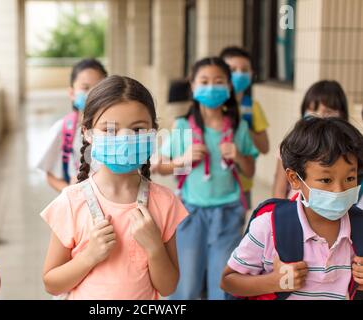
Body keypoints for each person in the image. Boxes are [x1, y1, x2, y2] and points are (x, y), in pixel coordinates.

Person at [40, 76, 188, 299]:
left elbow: (168, 287)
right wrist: (89, 256)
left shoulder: (164, 202)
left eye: (138, 130)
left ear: (152, 133)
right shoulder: (71, 202)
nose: (125, 139)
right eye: (110, 130)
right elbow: (51, 283)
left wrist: (155, 248)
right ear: (88, 133)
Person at [221, 117, 363, 300]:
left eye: (350, 179)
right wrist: (274, 281)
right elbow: (229, 281)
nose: (339, 190)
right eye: (326, 180)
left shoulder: (359, 228)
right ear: (295, 179)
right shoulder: (269, 226)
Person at [155, 57, 259, 300]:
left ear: (229, 87)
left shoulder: (238, 127)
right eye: (204, 81)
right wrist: (182, 160)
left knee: (222, 284)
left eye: (218, 81)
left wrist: (239, 155)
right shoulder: (183, 126)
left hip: (229, 213)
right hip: (191, 214)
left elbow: (250, 171)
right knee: (186, 284)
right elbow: (159, 166)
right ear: (192, 86)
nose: (211, 87)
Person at [36, 58, 108, 192]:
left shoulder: (117, 127)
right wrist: (71, 193)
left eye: (98, 88)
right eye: (85, 87)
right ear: (71, 93)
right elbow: (50, 174)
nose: (92, 93)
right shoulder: (63, 128)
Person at [273, 80, 349, 199]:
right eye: (312, 110)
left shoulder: (349, 148)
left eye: (328, 112)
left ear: (342, 116)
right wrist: (278, 215)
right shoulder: (291, 145)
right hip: (294, 211)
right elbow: (279, 188)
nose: (319, 116)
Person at [220, 46, 269, 208]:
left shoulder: (252, 107)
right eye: (233, 69)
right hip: (212, 184)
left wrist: (243, 125)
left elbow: (264, 147)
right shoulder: (211, 106)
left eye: (244, 70)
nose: (239, 74)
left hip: (242, 183)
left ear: (251, 74)